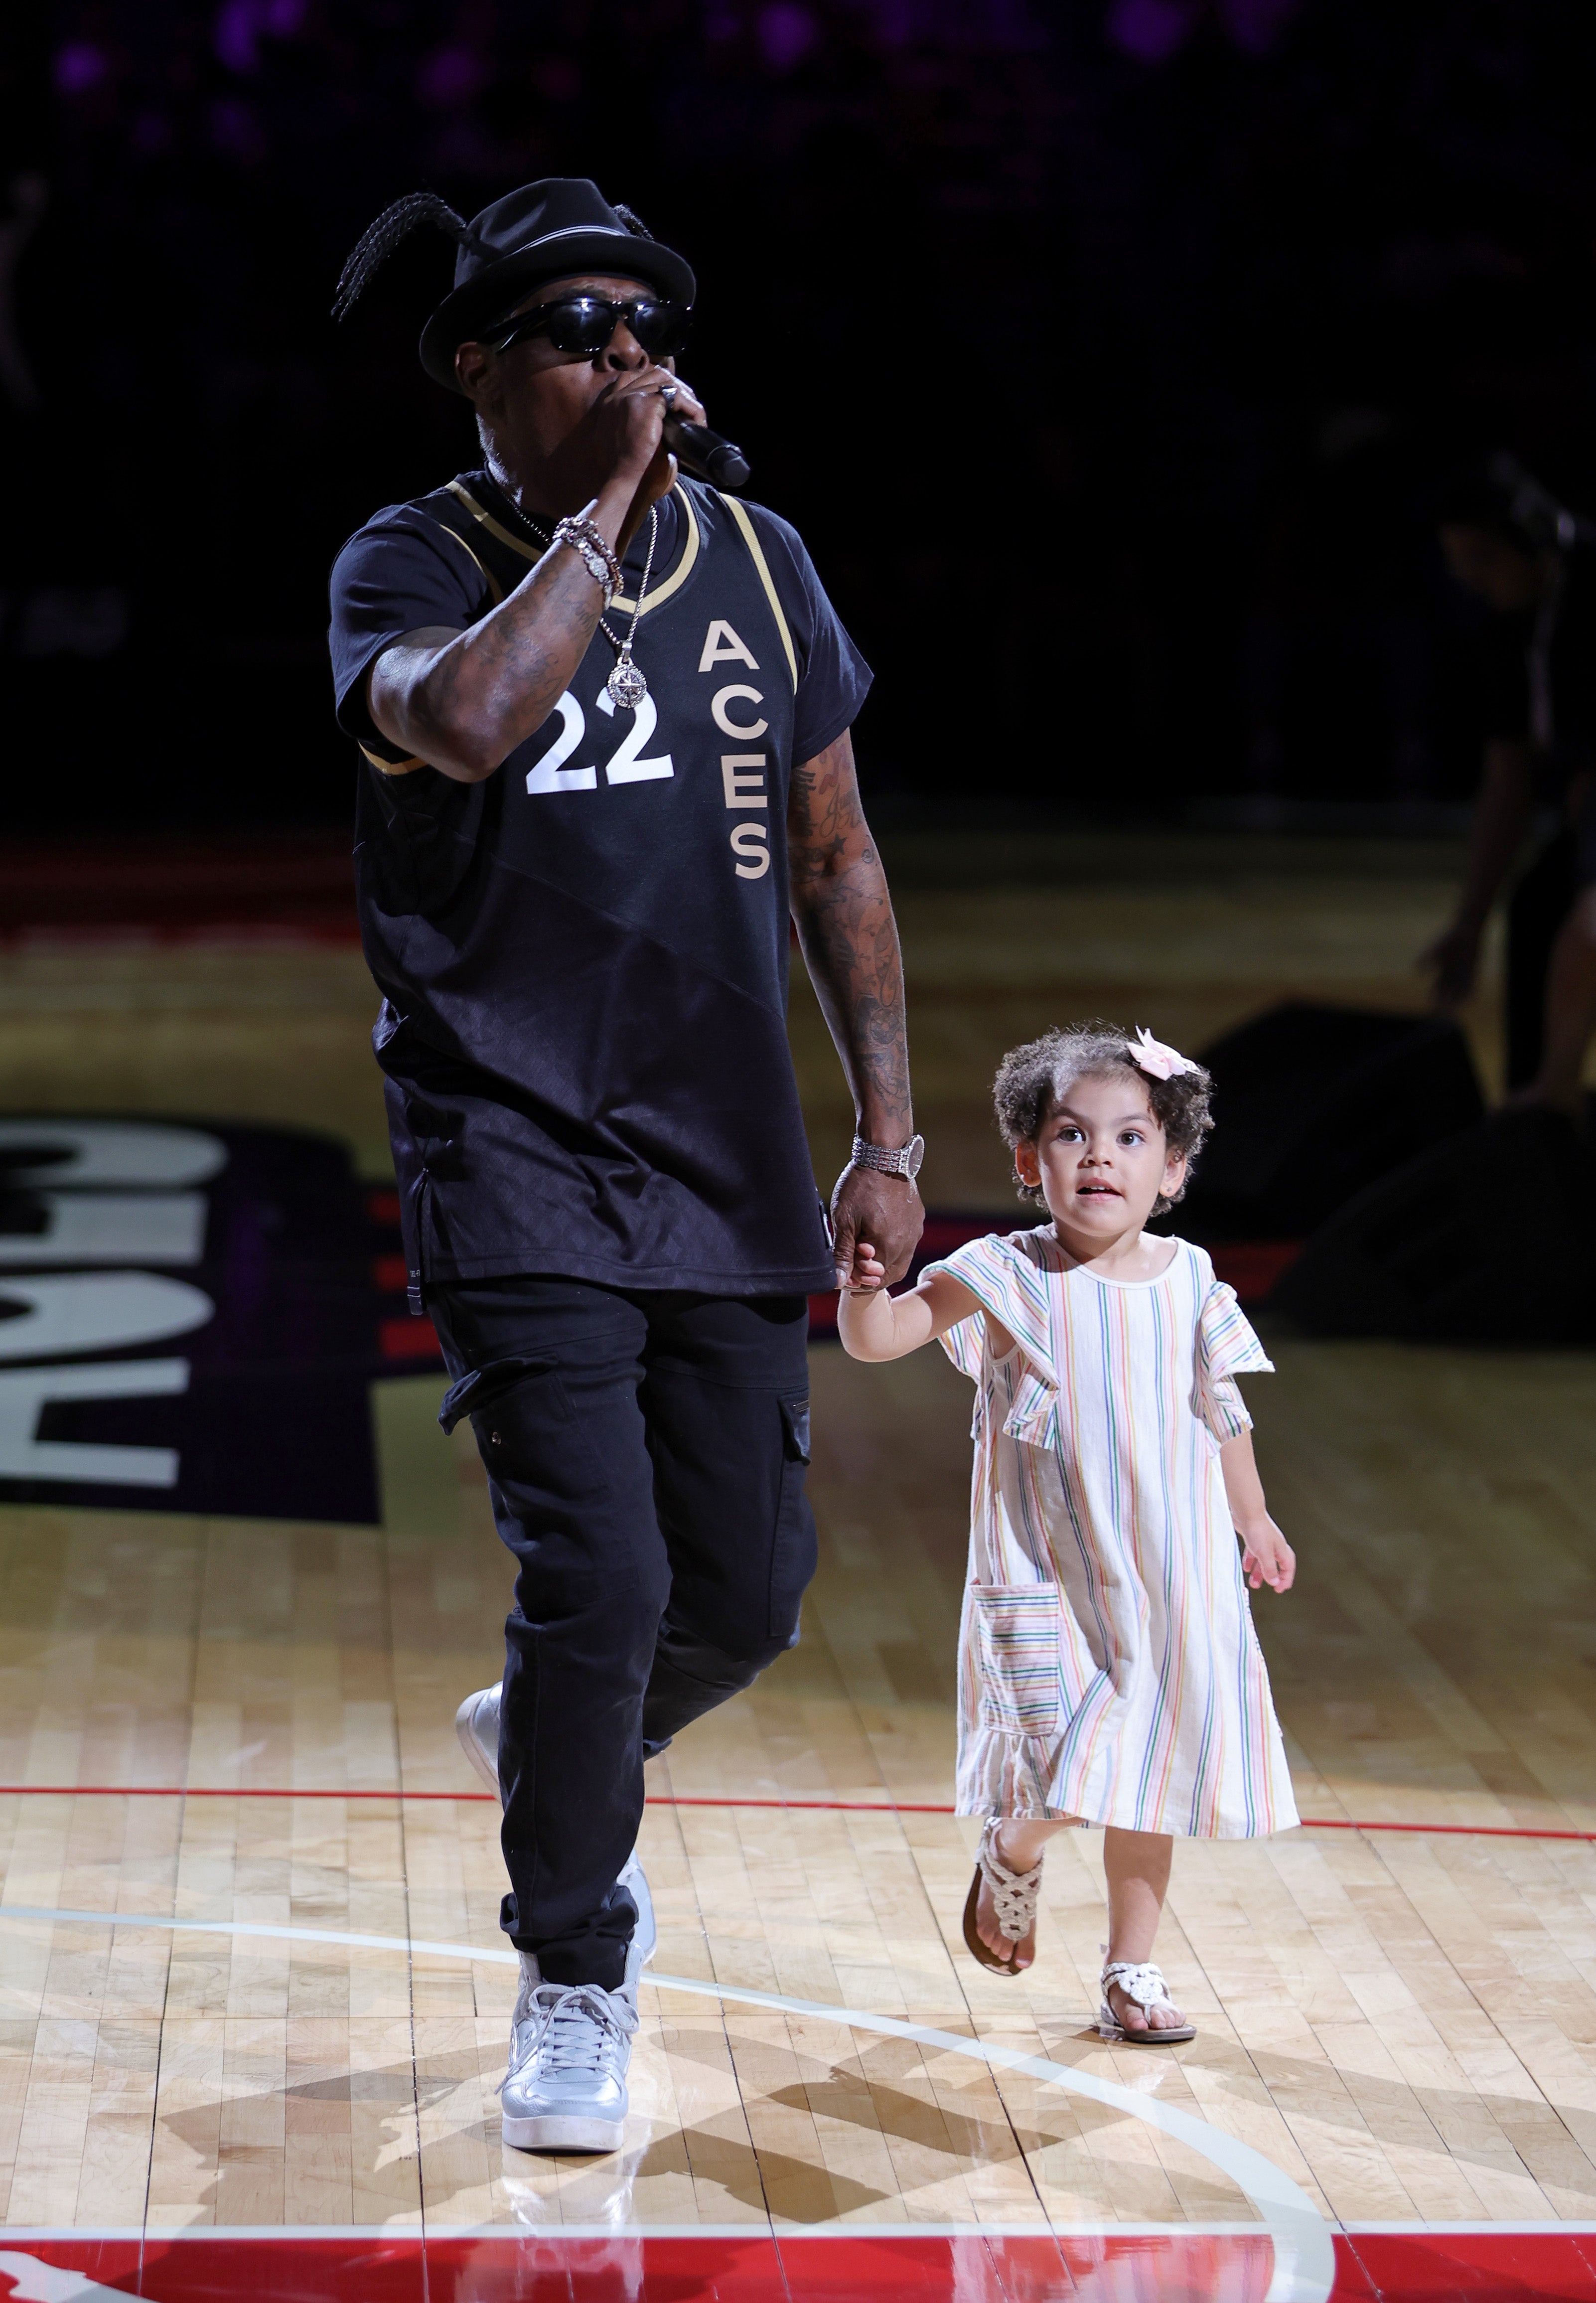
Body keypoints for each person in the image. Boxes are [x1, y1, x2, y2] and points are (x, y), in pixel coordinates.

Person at [326, 178, 924, 2151]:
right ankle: (574, 1964)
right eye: (583, 332)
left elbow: (837, 850)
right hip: (508, 1143)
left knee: (745, 1597)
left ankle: (568, 1746)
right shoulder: (403, 564)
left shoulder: (762, 562)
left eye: (651, 331)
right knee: (598, 1575)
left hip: (723, 1149)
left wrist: (894, 1132)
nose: (632, 363)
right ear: (483, 364)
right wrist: (603, 512)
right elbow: (480, 719)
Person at [837, 1022, 1296, 2040]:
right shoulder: (1005, 1276)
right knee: (1069, 1773)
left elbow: (1221, 1407)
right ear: (1026, 1159)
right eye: (1071, 1135)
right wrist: (867, 1278)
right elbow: (880, 1341)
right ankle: (1016, 1843)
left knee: (1150, 1780)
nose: (1099, 1158)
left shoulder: (1188, 1279)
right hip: (1051, 1578)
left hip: (1175, 1574)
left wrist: (1253, 1516)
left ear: (1173, 1168)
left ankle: (1132, 1969)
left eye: (1131, 1138)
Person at [1424, 457, 1596, 1109]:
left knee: (1584, 925)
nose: (1469, 578)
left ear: (1533, 538)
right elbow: (1508, 774)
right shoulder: (1509, 621)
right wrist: (1469, 923)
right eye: (1458, 561)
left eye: (1483, 558)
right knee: (1536, 909)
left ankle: (1551, 1093)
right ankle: (1536, 1112)